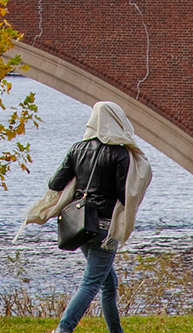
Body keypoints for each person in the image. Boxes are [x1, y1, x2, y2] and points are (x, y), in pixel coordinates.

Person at [23, 101, 153, 333]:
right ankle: (64, 329)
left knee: (108, 283)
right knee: (92, 283)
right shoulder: (120, 153)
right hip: (106, 228)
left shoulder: (77, 149)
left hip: (82, 226)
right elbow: (125, 193)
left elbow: (55, 183)